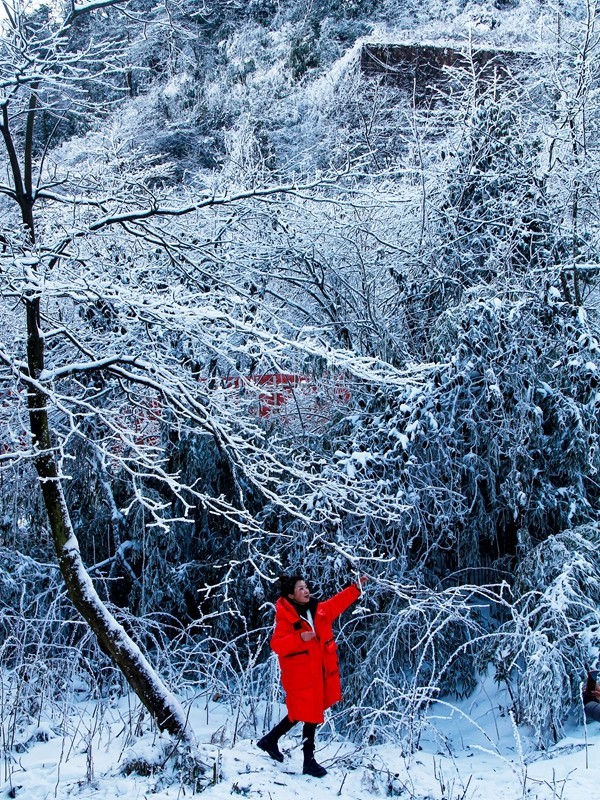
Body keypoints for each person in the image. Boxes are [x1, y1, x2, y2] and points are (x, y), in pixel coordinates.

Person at [257, 573, 366, 778]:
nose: (306, 591)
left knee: (302, 712)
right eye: (300, 588)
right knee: (310, 714)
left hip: (318, 673)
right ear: (291, 595)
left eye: (306, 587)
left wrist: (356, 588)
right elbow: (277, 645)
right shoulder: (285, 618)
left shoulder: (319, 610)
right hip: (300, 676)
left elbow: (338, 602)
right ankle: (308, 761)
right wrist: (300, 638)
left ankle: (270, 740)